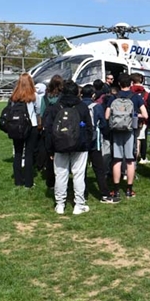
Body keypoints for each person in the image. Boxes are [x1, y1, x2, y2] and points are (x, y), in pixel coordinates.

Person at [44, 80, 92, 215]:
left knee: (60, 175)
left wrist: (50, 149)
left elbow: (48, 130)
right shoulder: (82, 107)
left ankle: (60, 204)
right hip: (80, 145)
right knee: (79, 175)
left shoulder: (55, 107)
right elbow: (89, 128)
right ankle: (79, 204)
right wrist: (87, 144)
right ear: (77, 92)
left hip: (59, 145)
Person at [105, 73, 148, 198]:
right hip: (130, 131)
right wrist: (134, 116)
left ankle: (116, 189)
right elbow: (145, 115)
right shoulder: (136, 98)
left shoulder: (113, 98)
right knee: (130, 160)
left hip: (116, 131)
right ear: (131, 84)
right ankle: (129, 189)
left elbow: (107, 116)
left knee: (117, 160)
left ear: (118, 84)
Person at [81, 85, 119, 204]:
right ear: (93, 95)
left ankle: (82, 193)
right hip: (94, 141)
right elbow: (102, 123)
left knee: (81, 169)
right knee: (99, 169)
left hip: (80, 141)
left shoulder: (79, 106)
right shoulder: (97, 107)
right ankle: (104, 194)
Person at [9, 73, 40, 188]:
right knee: (29, 154)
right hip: (31, 125)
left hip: (16, 126)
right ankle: (28, 182)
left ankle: (18, 180)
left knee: (17, 153)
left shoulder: (14, 96)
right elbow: (38, 111)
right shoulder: (34, 95)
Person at [40, 75, 64, 189]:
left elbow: (41, 112)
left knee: (49, 154)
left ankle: (50, 181)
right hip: (60, 126)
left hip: (48, 127)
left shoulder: (45, 97)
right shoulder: (62, 97)